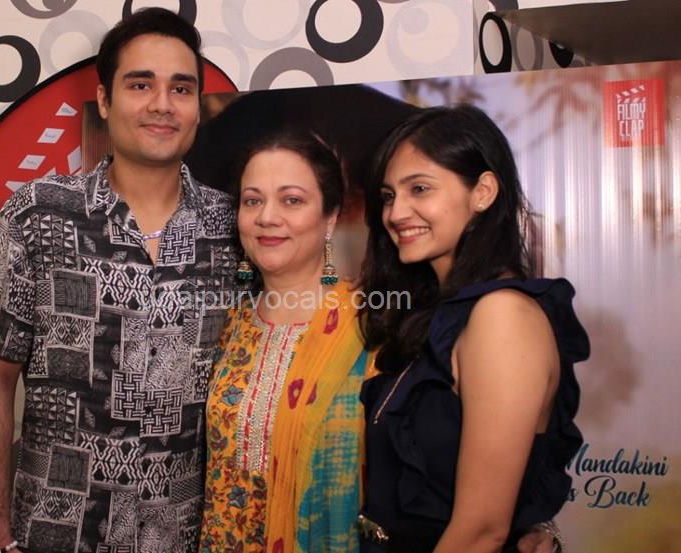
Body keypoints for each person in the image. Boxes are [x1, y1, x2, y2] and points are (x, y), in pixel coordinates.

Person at [0, 8, 238, 553]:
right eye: (141, 84)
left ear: (197, 108)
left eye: (181, 88)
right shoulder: (37, 215)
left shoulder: (232, 229)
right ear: (105, 100)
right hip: (54, 535)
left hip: (182, 538)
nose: (163, 104)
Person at [358, 105, 589, 553]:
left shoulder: (501, 315)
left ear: (482, 192)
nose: (396, 212)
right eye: (388, 196)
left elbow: (482, 531)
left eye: (419, 188)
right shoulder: (437, 312)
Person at [199, 129, 370, 553]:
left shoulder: (368, 327)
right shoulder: (230, 323)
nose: (267, 217)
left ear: (330, 217)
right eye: (252, 201)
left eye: (291, 200)